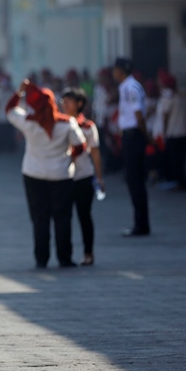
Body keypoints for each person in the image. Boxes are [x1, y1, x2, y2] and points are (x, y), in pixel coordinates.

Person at [5, 80, 86, 269]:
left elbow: (9, 110)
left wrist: (20, 92)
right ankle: (64, 258)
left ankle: (41, 259)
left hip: (33, 174)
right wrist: (68, 158)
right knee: (63, 218)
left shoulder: (28, 122)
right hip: (61, 175)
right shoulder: (67, 123)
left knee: (39, 219)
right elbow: (80, 146)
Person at [61, 88, 104, 266]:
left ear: (79, 104)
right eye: (63, 101)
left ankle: (88, 252)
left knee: (84, 216)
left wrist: (99, 178)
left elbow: (95, 153)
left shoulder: (88, 126)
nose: (64, 105)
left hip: (84, 176)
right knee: (64, 218)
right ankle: (66, 254)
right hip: (63, 176)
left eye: (68, 101)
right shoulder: (59, 124)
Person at [113, 58, 150, 236]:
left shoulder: (131, 87)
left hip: (134, 135)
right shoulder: (125, 87)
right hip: (129, 136)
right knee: (132, 180)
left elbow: (138, 115)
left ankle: (141, 224)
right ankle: (140, 222)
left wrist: (145, 135)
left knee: (135, 181)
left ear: (121, 71)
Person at [154, 72, 186, 191]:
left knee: (175, 161)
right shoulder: (178, 95)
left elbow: (165, 116)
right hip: (182, 133)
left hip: (173, 133)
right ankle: (180, 182)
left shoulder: (168, 96)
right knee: (179, 160)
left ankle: (179, 183)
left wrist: (163, 132)